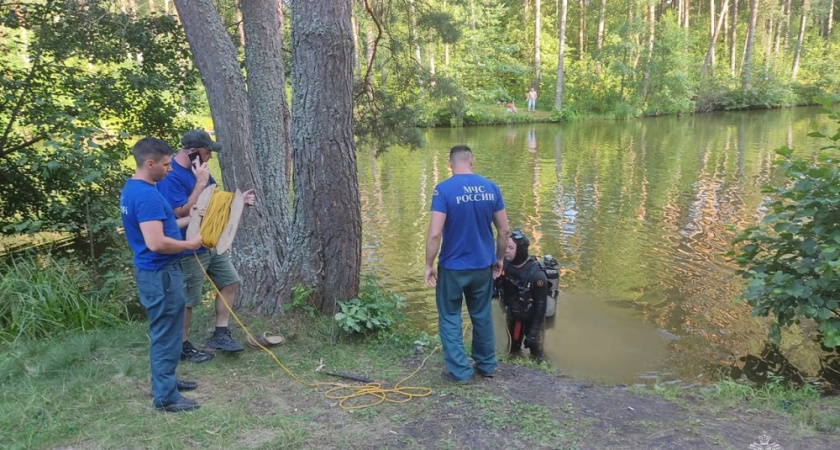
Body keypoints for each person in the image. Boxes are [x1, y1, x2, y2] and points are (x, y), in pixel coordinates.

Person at [120, 137, 204, 412]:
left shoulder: (134, 188)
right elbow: (156, 242)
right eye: (166, 164)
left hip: (154, 272)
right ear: (150, 163)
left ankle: (167, 381)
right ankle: (166, 396)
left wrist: (193, 218)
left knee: (167, 330)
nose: (170, 169)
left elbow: (164, 226)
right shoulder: (145, 195)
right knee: (167, 334)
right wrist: (190, 244)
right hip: (161, 273)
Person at [156, 130, 256, 363]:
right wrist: (200, 182)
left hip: (210, 242)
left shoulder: (200, 170)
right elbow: (178, 212)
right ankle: (182, 346)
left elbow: (213, 201)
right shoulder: (171, 177)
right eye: (206, 150)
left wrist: (238, 203)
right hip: (187, 246)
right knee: (188, 300)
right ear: (192, 152)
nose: (210, 155)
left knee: (230, 281)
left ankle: (220, 334)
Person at [425, 145, 510, 383]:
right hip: (482, 265)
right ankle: (486, 365)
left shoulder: (443, 190)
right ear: (471, 160)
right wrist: (500, 259)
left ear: (450, 163)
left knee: (451, 316)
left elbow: (434, 234)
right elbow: (504, 230)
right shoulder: (491, 188)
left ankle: (461, 372)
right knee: (481, 314)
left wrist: (428, 264)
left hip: (453, 267)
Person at [496, 230, 547, 358]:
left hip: (533, 319)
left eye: (511, 247)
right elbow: (495, 285)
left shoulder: (537, 275)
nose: (506, 250)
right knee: (513, 351)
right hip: (513, 316)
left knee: (537, 355)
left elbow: (541, 306)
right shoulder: (504, 265)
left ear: (520, 250)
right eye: (505, 246)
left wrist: (533, 333)